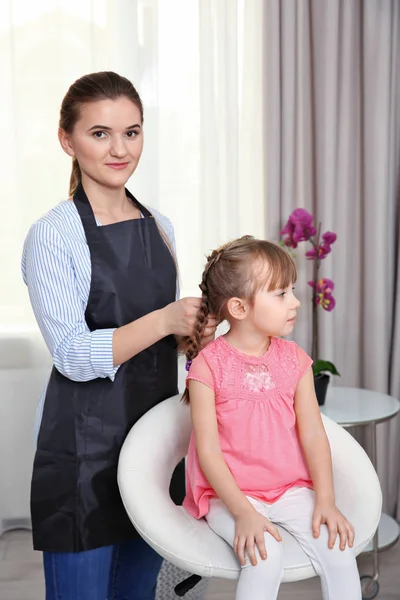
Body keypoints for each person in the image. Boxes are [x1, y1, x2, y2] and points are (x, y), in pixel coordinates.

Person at [22, 71, 216, 600]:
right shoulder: (54, 234)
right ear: (68, 140)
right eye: (100, 133)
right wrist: (165, 319)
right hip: (83, 453)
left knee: (136, 592)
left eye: (131, 132)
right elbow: (70, 354)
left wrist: (194, 332)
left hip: (155, 444)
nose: (119, 149)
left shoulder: (161, 225)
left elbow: (167, 346)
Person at [182, 236, 362, 600]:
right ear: (239, 307)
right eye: (280, 294)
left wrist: (325, 499)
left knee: (339, 550)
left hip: (291, 489)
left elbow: (313, 433)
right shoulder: (208, 366)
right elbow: (209, 454)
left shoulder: (294, 359)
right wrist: (243, 512)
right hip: (228, 495)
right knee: (264, 558)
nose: (294, 302)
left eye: (291, 290)